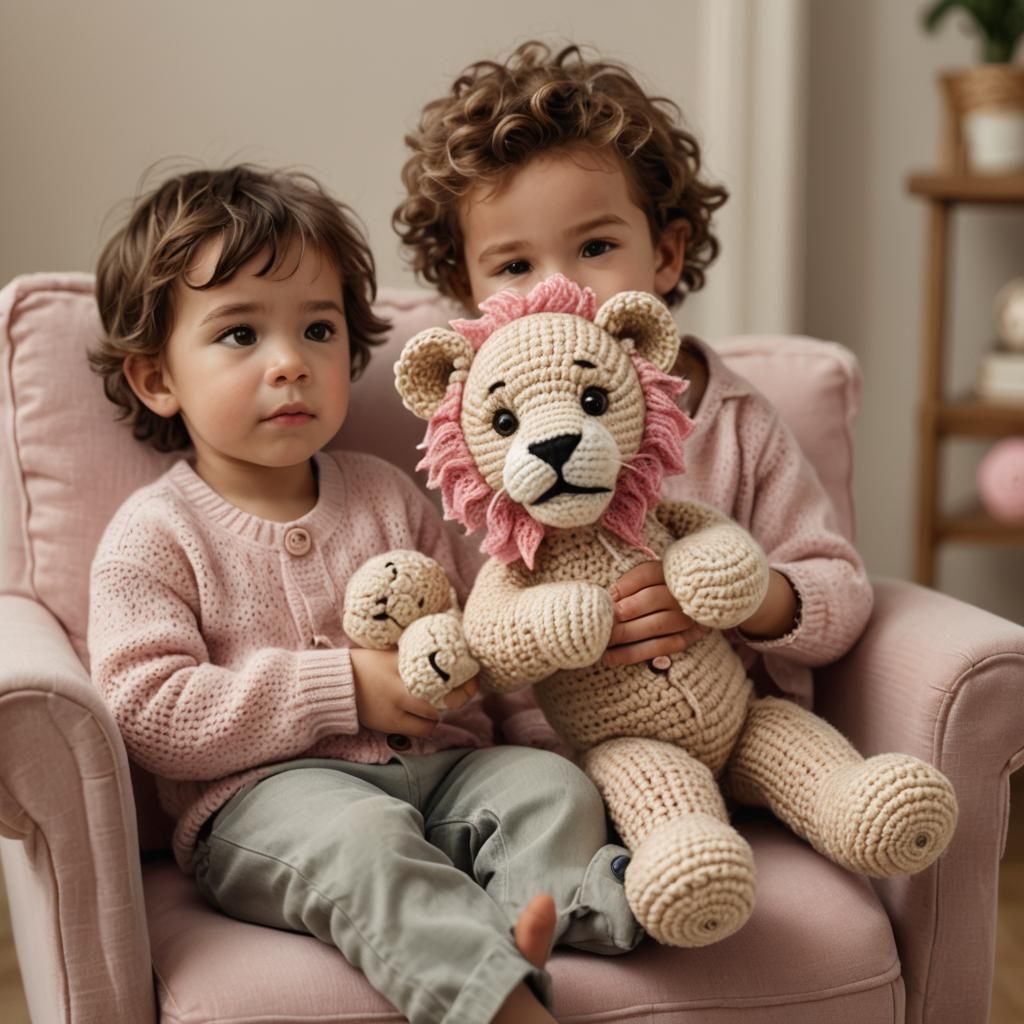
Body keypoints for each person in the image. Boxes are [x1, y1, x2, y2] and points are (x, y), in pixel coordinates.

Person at [86, 165, 640, 1024]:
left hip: (444, 772)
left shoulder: (386, 494)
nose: (290, 365)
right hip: (270, 803)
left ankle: (558, 916)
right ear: (157, 378)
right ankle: (495, 1000)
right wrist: (345, 687)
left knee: (547, 789)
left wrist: (523, 724)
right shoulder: (155, 532)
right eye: (240, 335)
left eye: (317, 329)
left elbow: (485, 638)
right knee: (363, 839)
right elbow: (150, 710)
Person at [393, 42, 873, 707]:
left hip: (727, 726)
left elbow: (839, 596)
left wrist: (746, 595)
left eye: (595, 247)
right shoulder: (476, 442)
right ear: (466, 286)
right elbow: (476, 625)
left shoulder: (736, 424)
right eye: (514, 266)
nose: (559, 287)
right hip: (551, 760)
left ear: (667, 253)